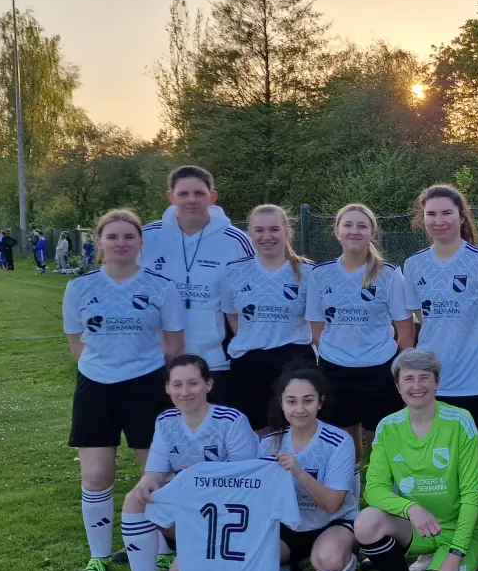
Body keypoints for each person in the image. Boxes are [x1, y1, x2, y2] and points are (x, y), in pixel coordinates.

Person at [60, 209, 185, 571]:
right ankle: (98, 558)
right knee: (96, 475)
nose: (120, 243)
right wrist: (106, 368)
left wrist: (137, 369)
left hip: (147, 386)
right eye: (112, 237)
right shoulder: (79, 288)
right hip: (95, 387)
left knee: (157, 475)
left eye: (128, 237)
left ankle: (163, 549)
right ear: (99, 243)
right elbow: (77, 343)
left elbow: (174, 345)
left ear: (140, 243)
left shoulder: (161, 286)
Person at [400, 184, 478, 560]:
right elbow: (418, 319)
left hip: (475, 382)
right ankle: (434, 542)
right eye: (431, 214)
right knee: (434, 463)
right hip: (431, 384)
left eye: (447, 213)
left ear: (462, 217)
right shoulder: (414, 265)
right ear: (423, 219)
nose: (439, 220)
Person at [110, 354, 261, 571]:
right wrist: (146, 483)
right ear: (167, 387)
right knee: (135, 500)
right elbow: (155, 472)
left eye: (193, 383)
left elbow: (248, 479)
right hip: (191, 506)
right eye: (177, 384)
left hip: (229, 512)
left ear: (208, 385)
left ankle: (231, 567)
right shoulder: (166, 421)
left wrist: (203, 473)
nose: (184, 391)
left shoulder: (231, 420)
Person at [353, 349, 478, 571]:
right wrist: (410, 508)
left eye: (424, 378)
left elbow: (470, 495)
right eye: (409, 379)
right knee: (366, 523)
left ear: (437, 382)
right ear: (398, 386)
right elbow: (375, 490)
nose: (416, 386)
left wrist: (455, 555)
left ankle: (462, 568)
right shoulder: (388, 427)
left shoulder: (460, 421)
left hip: (461, 531)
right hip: (420, 525)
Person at [306, 203, 415, 454]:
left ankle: (380, 492)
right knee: (343, 448)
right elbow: (315, 327)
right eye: (348, 225)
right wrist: (340, 353)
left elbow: (406, 331)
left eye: (362, 226)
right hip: (334, 371)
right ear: (336, 231)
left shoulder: (389, 274)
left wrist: (392, 366)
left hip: (379, 370)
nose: (354, 231)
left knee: (383, 445)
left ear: (372, 233)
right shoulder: (320, 274)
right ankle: (349, 494)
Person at [141, 166, 253, 398]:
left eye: (199, 193)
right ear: (171, 197)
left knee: (217, 429)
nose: (191, 200)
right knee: (164, 430)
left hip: (216, 360)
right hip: (159, 358)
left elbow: (252, 297)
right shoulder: (148, 236)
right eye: (183, 194)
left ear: (212, 196)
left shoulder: (235, 240)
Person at [263, 367, 361, 571]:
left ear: (320, 402)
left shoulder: (339, 441)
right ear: (281, 403)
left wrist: (298, 471)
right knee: (255, 553)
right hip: (288, 524)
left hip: (333, 521)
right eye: (291, 401)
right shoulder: (268, 443)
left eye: (308, 400)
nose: (299, 409)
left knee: (329, 560)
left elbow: (332, 504)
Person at [221, 205, 317, 432]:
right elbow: (233, 318)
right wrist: (255, 338)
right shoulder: (233, 271)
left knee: (296, 428)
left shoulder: (308, 272)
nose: (267, 236)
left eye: (274, 229)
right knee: (256, 431)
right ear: (250, 233)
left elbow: (316, 321)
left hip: (294, 359)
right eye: (259, 230)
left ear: (286, 231)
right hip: (249, 361)